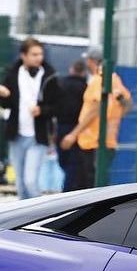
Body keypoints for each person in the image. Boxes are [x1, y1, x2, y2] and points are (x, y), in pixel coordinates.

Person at [59, 45, 132, 189]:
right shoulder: (114, 78)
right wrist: (115, 117)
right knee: (98, 184)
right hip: (107, 141)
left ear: (91, 61)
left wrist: (73, 134)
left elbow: (95, 108)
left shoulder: (98, 80)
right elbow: (128, 104)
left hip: (92, 141)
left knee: (89, 187)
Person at [0, 37, 58, 199]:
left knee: (31, 181)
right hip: (16, 135)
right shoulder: (12, 74)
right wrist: (3, 95)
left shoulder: (50, 76)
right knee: (21, 185)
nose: (39, 58)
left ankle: (41, 214)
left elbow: (57, 106)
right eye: (34, 54)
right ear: (23, 56)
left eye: (40, 54)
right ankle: (25, 219)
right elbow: (5, 105)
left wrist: (42, 110)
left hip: (38, 136)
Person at [53, 59, 89, 192]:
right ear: (84, 72)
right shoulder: (85, 88)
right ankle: (68, 191)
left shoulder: (60, 84)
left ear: (71, 69)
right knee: (74, 164)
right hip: (78, 129)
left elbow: (53, 107)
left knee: (63, 161)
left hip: (61, 126)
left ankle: (68, 189)